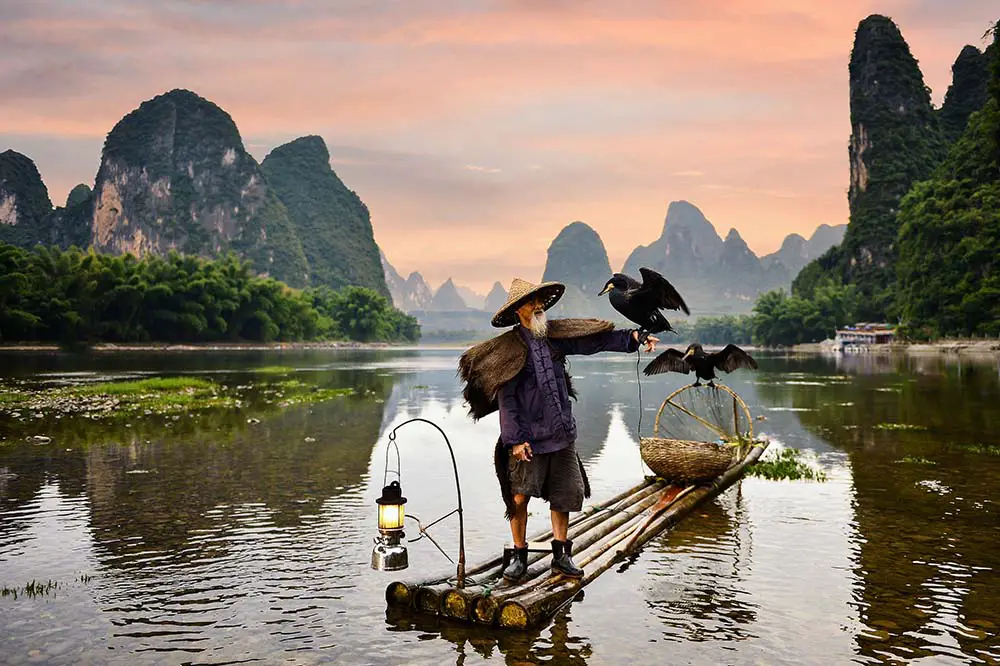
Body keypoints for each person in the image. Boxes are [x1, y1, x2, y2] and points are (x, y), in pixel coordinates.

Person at [458, 278, 657, 581]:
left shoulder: (554, 337)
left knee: (563, 495)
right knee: (519, 497)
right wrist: (515, 441)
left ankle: (561, 555)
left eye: (539, 301)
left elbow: (593, 342)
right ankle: (518, 554)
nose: (538, 306)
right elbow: (507, 400)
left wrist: (634, 337)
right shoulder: (508, 351)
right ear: (517, 311)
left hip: (561, 432)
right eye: (530, 302)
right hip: (528, 439)